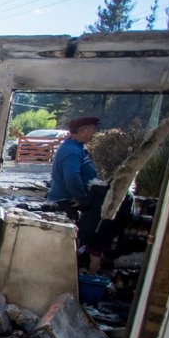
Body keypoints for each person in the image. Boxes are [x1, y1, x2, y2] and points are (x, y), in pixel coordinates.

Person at [47, 116, 106, 273]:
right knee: (66, 244)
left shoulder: (77, 148)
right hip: (66, 202)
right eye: (92, 130)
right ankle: (61, 272)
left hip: (71, 200)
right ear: (84, 130)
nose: (93, 133)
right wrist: (81, 198)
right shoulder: (71, 151)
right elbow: (72, 177)